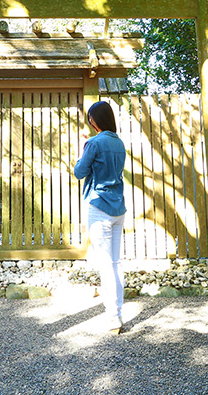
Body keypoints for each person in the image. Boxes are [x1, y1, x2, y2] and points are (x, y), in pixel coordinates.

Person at [73, 100, 127, 333]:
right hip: (118, 207)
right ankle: (117, 313)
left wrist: (81, 151)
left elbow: (79, 172)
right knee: (115, 263)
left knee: (106, 264)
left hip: (99, 206)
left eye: (90, 117)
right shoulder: (119, 143)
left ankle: (113, 317)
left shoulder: (93, 143)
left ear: (94, 120)